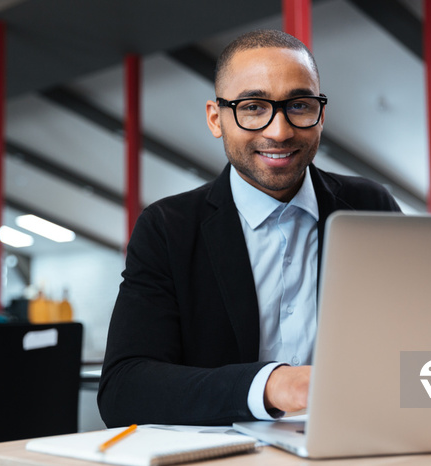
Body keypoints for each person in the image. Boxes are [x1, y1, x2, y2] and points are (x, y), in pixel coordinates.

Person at [98, 29, 401, 427]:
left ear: (321, 115)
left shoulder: (370, 208)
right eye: (254, 107)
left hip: (358, 443)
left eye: (299, 105)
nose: (280, 131)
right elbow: (125, 388)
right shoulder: (168, 228)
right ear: (215, 118)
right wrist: (272, 386)